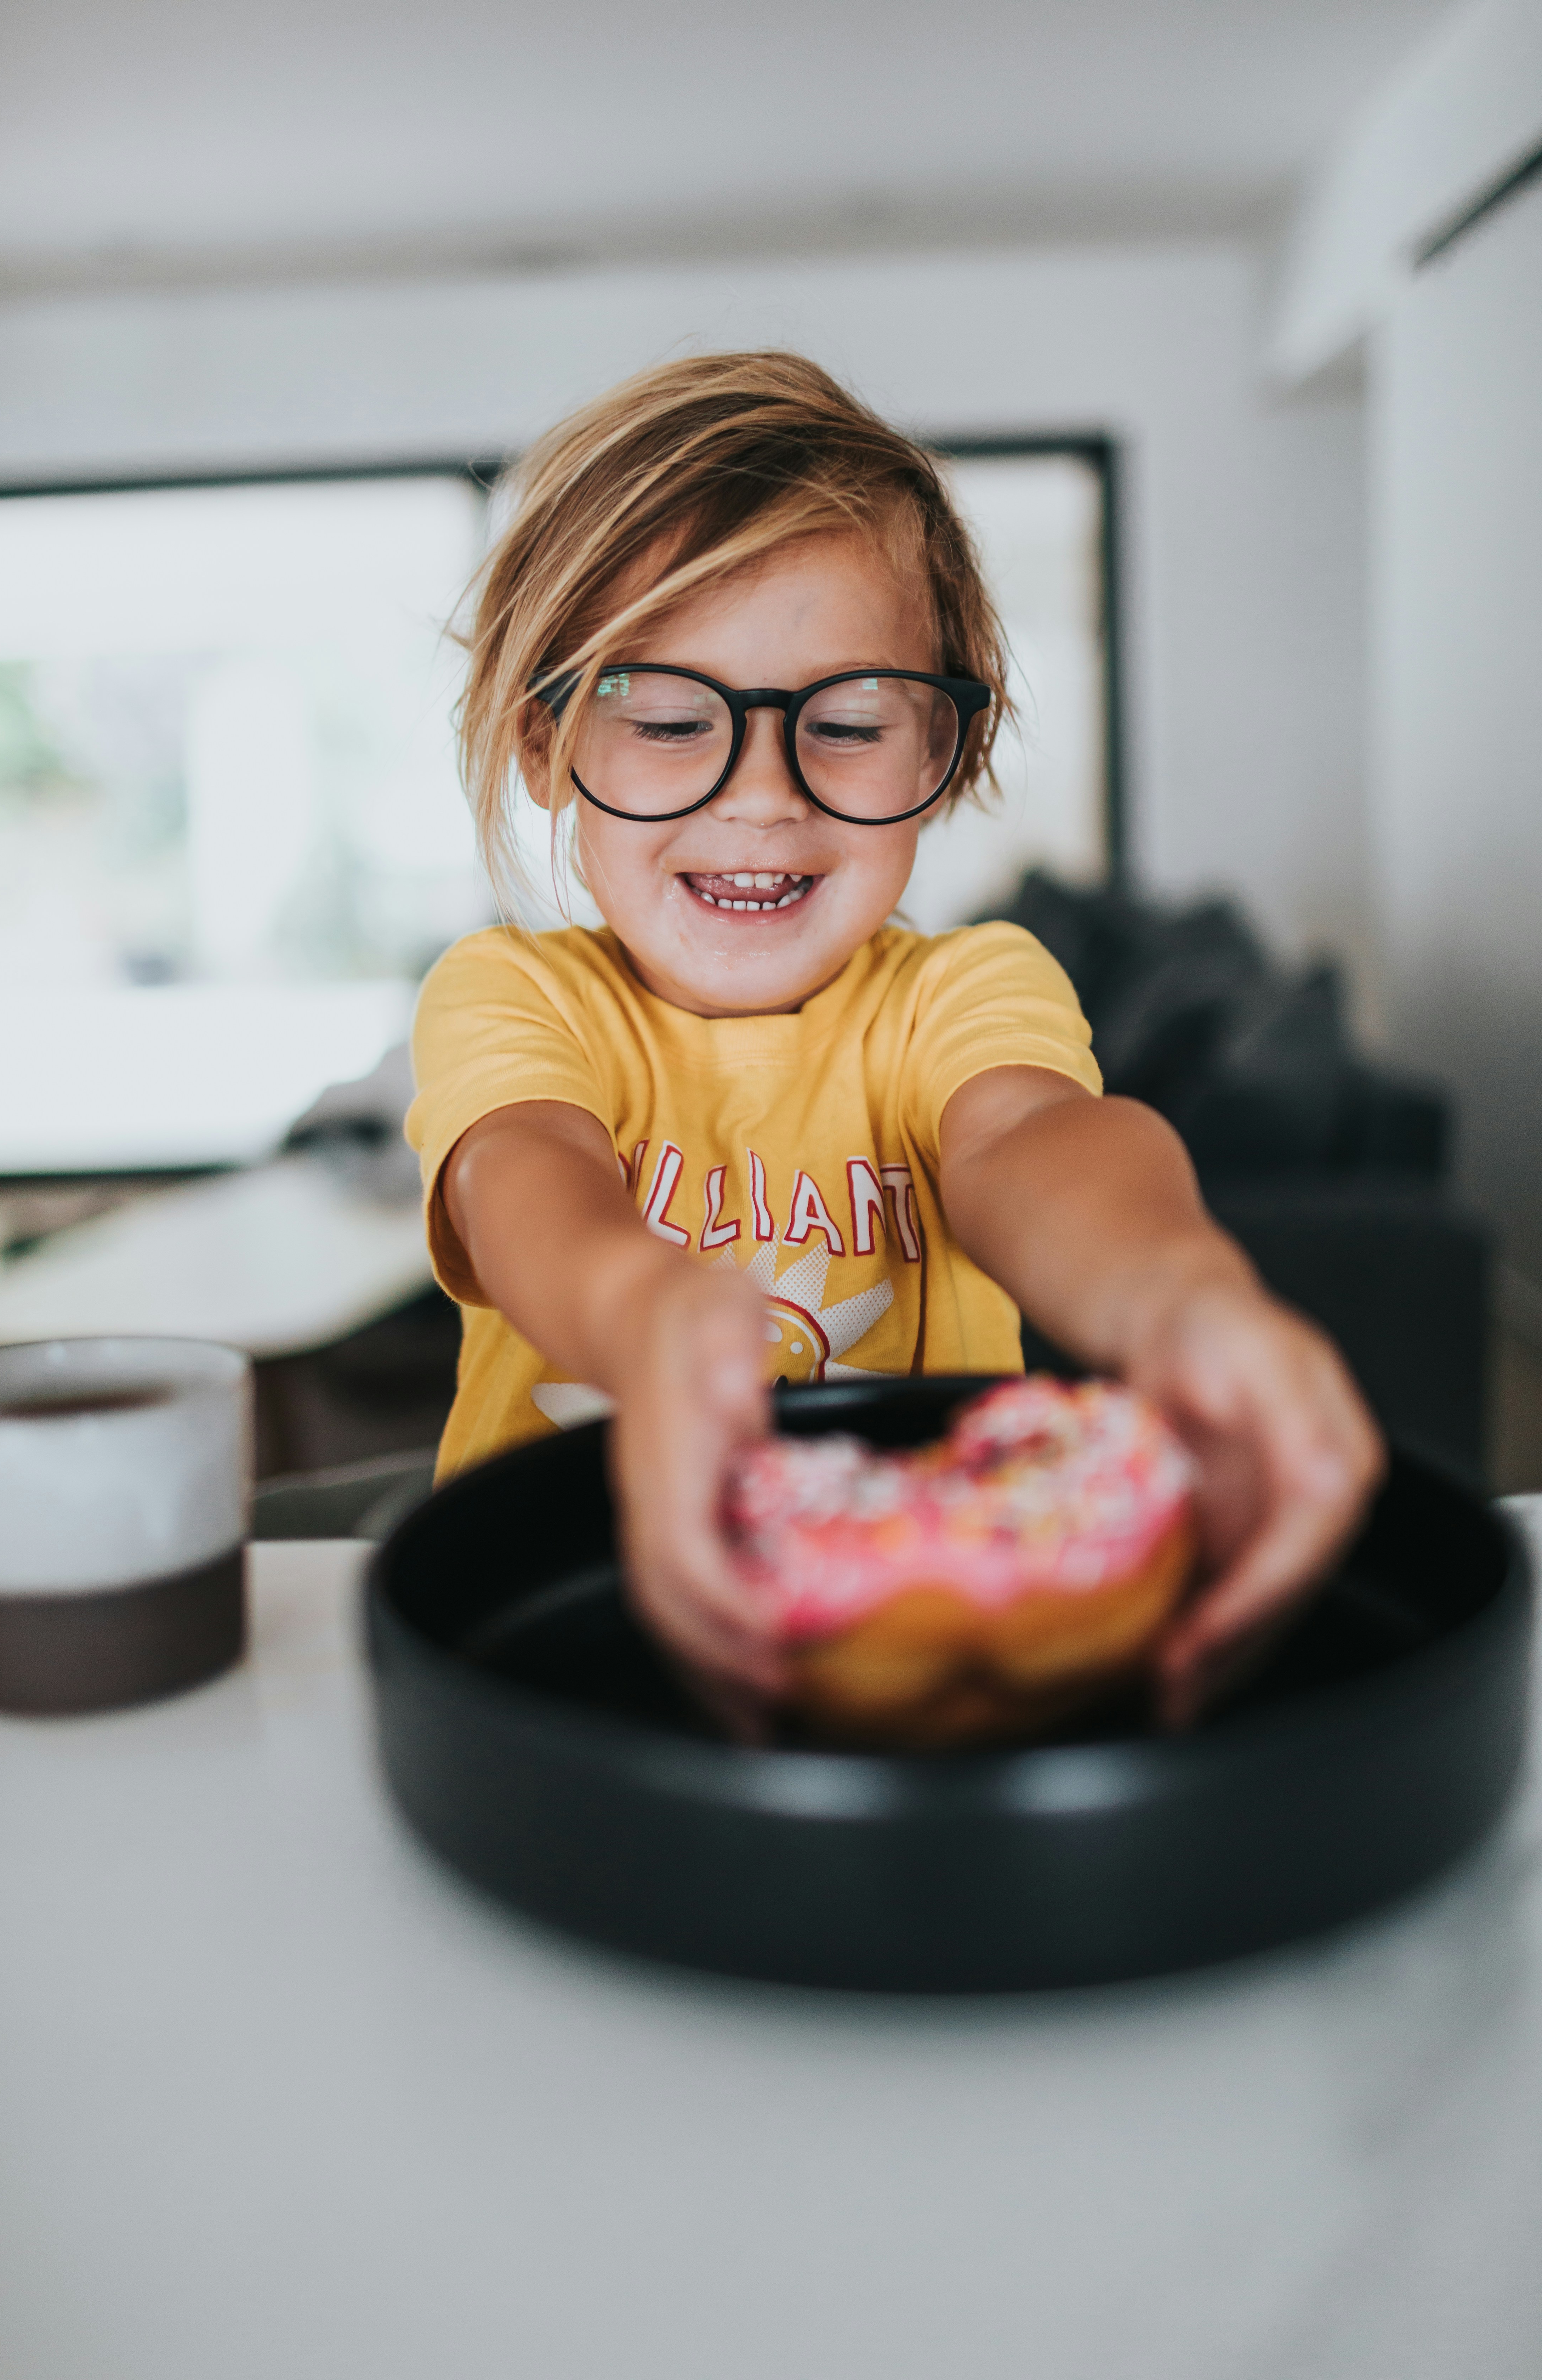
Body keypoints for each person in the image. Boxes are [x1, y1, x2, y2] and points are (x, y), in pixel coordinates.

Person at [407, 350, 1382, 1724]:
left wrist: (1175, 1293)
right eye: (673, 720)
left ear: (943, 755)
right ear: (542, 744)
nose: (759, 798)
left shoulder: (965, 991)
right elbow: (520, 1178)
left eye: (850, 723)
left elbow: (1034, 1138)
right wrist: (641, 1307)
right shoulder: (516, 996)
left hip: (935, 1658)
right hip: (566, 1638)